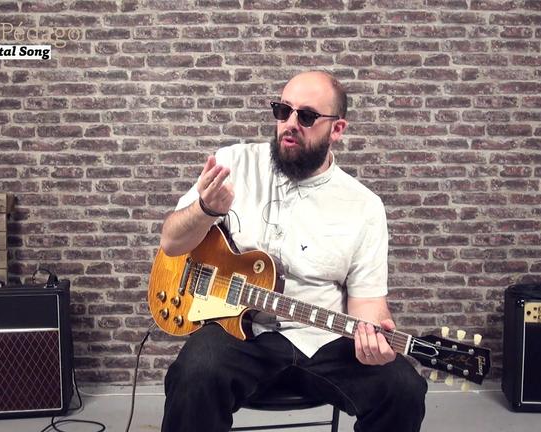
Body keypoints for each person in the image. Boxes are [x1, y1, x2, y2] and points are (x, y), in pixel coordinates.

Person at [159, 70, 427, 432]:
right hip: (239, 331)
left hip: (323, 339)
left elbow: (367, 304)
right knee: (193, 373)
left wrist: (374, 339)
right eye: (283, 111)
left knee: (404, 389)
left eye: (307, 116)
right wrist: (205, 210)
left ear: (337, 129)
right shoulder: (232, 164)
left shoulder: (365, 206)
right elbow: (171, 243)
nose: (290, 124)